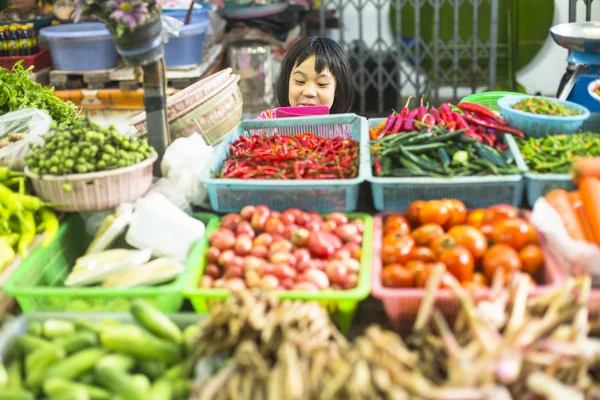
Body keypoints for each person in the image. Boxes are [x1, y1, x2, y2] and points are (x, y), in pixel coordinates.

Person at [258, 36, 355, 119]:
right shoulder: (268, 122)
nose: (309, 92)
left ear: (337, 89)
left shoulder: (348, 128)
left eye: (322, 84)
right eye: (300, 81)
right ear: (287, 83)